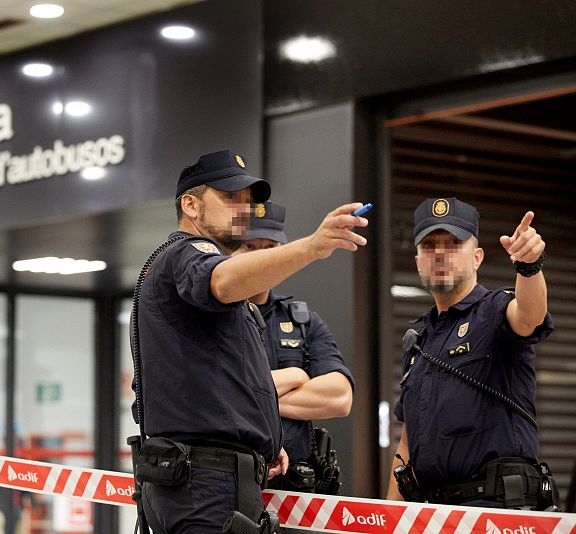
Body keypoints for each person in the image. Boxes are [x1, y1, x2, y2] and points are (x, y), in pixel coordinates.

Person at [133, 149, 369, 533]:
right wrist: (312, 246)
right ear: (191, 205)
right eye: (229, 198)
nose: (243, 209)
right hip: (204, 483)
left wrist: (260, 436)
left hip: (206, 479)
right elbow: (222, 279)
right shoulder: (189, 253)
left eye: (247, 200)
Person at [387, 197, 556, 509]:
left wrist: (529, 267)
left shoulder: (493, 311)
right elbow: (406, 447)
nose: (439, 253)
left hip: (497, 513)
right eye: (428, 246)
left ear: (477, 257)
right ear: (417, 261)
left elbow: (530, 315)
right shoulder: (419, 343)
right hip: (433, 515)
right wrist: (388, 520)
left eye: (453, 244)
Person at [234, 201, 354, 501]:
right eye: (250, 246)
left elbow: (340, 398)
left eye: (271, 247)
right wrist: (295, 375)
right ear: (231, 252)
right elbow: (214, 394)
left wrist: (251, 397)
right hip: (230, 489)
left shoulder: (301, 320)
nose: (263, 256)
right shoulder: (214, 318)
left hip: (295, 491)